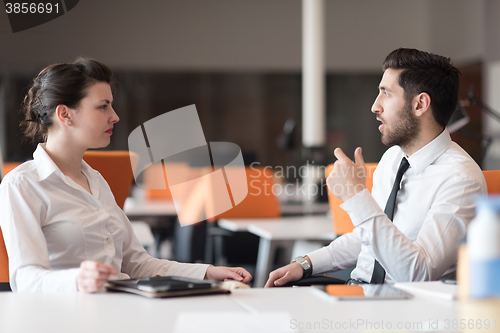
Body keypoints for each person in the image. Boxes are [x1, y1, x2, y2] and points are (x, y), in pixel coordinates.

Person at [0, 58, 251, 293]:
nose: (115, 116)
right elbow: (26, 279)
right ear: (65, 114)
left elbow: (137, 264)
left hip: (118, 308)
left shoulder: (96, 181)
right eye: (102, 107)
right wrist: (77, 280)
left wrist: (207, 272)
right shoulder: (23, 185)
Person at [265, 48, 487, 287]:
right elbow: (369, 238)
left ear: (420, 104)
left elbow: (418, 274)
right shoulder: (393, 158)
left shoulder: (460, 179)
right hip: (357, 292)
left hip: (404, 310)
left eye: (386, 94)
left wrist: (356, 197)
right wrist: (306, 263)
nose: (375, 106)